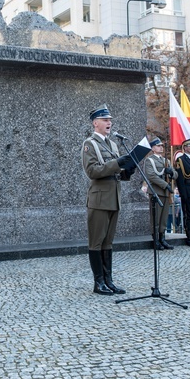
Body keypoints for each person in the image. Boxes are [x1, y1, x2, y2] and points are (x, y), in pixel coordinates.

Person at [81, 104, 135, 296]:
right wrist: (117, 163)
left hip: (113, 197)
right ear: (95, 123)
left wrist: (127, 169)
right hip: (99, 199)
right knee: (96, 242)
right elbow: (92, 171)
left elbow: (117, 172)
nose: (109, 123)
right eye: (105, 120)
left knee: (108, 242)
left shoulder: (112, 145)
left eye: (110, 120)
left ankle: (108, 280)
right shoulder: (90, 144)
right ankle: (98, 282)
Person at [143, 137, 177, 250]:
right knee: (156, 217)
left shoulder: (165, 161)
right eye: (158, 146)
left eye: (162, 145)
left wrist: (171, 173)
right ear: (152, 148)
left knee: (163, 217)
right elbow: (151, 176)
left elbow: (175, 173)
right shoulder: (149, 160)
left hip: (165, 193)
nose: (161, 147)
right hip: (156, 192)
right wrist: (165, 185)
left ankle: (163, 239)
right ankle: (156, 240)